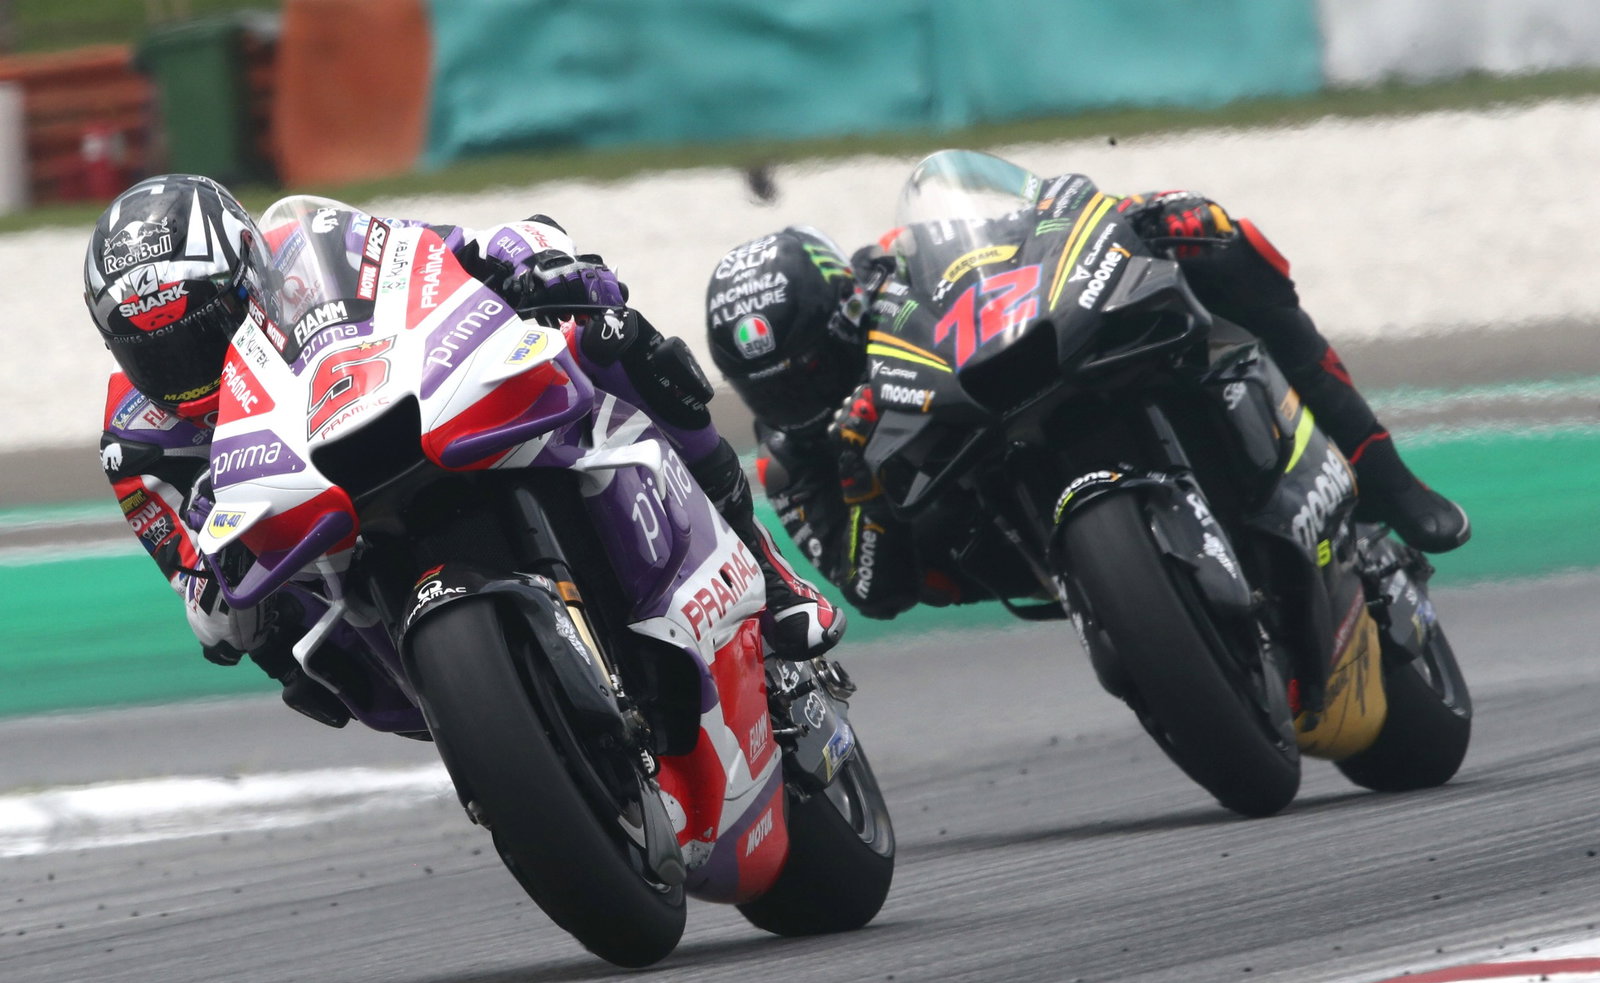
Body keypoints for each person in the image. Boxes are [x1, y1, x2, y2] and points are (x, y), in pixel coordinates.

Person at [86, 174, 843, 728]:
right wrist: (214, 586)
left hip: (390, 413)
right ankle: (493, 728)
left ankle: (765, 567)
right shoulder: (136, 442)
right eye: (154, 351)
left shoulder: (306, 253)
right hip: (312, 550)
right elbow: (201, 598)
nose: (186, 369)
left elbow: (436, 256)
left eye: (199, 329)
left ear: (250, 275)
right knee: (288, 649)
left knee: (605, 337)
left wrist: (534, 262)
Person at [704, 189, 1471, 622]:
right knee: (924, 543)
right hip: (986, 538)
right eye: (773, 389)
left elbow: (1010, 230)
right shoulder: (790, 462)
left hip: (999, 389)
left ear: (844, 311)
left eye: (814, 369)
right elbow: (873, 591)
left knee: (1219, 244)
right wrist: (860, 477)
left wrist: (1138, 213)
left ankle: (1384, 473)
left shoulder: (890, 276)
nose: (801, 397)